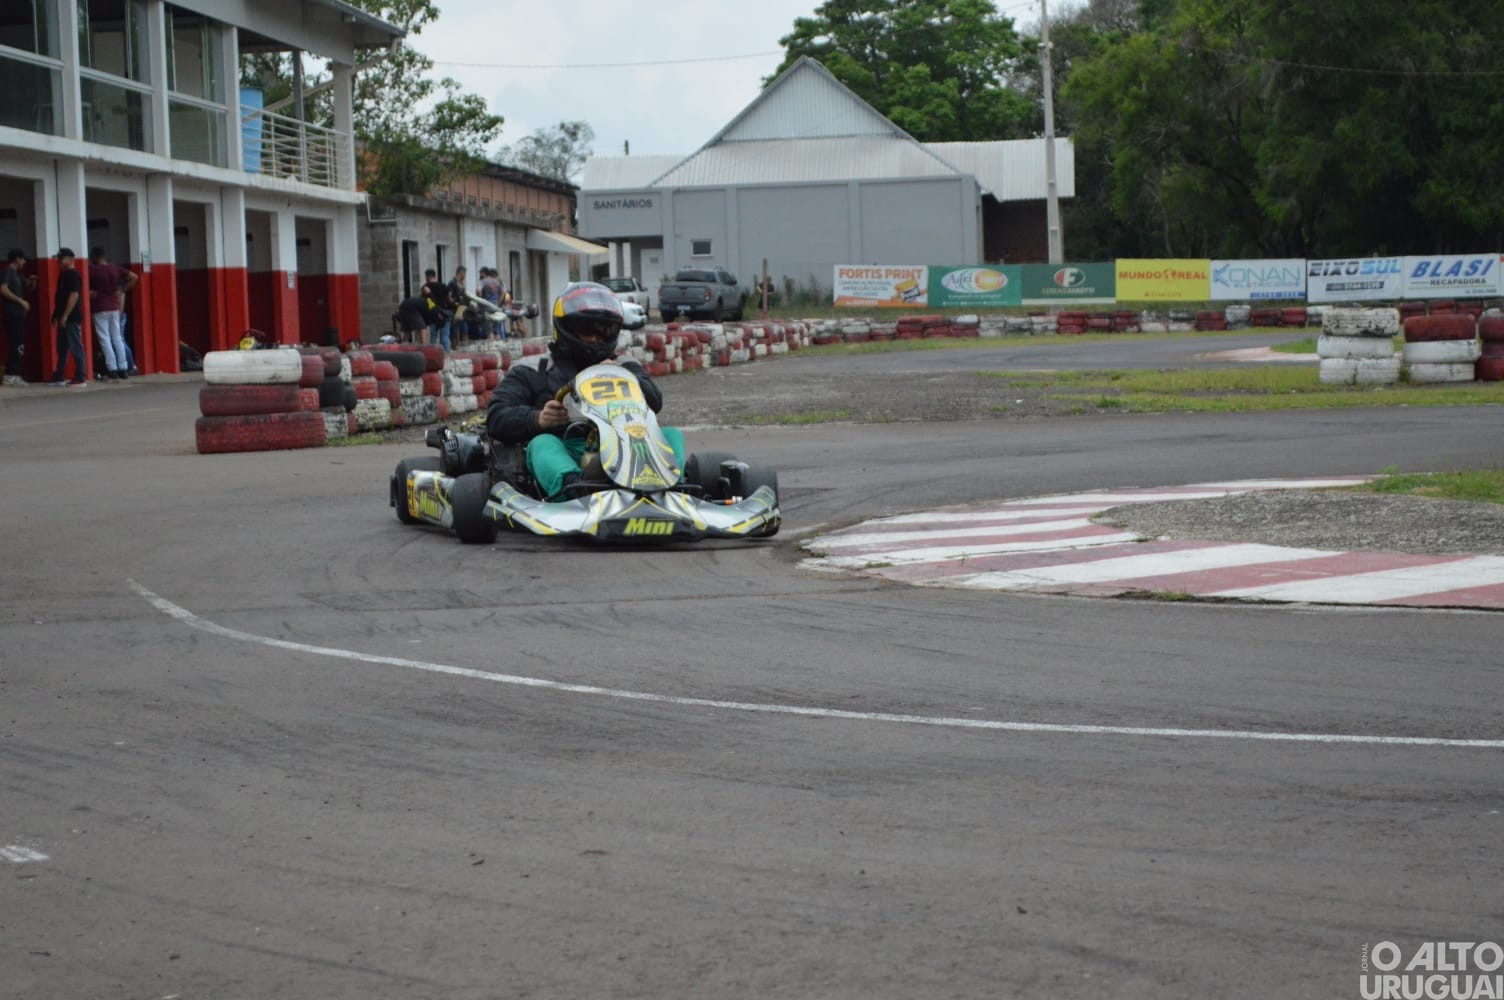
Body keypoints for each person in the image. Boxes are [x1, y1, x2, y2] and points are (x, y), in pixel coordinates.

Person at [486, 281, 685, 500]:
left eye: (603, 331)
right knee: (542, 443)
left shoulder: (625, 365)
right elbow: (496, 416)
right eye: (587, 330)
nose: (595, 339)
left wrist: (625, 376)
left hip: (628, 448)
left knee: (671, 434)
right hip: (568, 450)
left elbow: (655, 402)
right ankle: (575, 490)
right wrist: (537, 419)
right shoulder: (535, 368)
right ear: (566, 328)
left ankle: (672, 491)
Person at [87, 247, 138, 380]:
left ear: (95, 257)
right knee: (117, 338)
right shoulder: (115, 269)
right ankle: (123, 368)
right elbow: (134, 277)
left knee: (105, 338)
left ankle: (112, 368)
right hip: (114, 307)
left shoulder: (92, 270)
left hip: (99, 307)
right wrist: (122, 289)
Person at [48, 248, 87, 387]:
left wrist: (65, 315)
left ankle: (80, 376)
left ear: (71, 259)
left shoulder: (73, 275)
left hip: (71, 317)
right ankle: (59, 375)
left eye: (61, 258)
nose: (58, 261)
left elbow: (74, 295)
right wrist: (56, 315)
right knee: (62, 348)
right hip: (62, 317)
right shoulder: (63, 275)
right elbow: (60, 297)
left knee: (76, 346)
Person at [1, 248, 32, 385]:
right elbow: (3, 289)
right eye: (23, 259)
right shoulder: (7, 272)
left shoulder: (18, 275)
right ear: (17, 259)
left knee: (19, 343)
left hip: (18, 314)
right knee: (17, 344)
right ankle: (11, 374)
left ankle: (14, 373)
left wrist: (33, 280)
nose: (24, 262)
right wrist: (21, 302)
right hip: (12, 313)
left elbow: (29, 286)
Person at [419, 268, 451, 349]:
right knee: (445, 336)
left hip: (433, 313)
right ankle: (446, 354)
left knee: (433, 336)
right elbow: (448, 298)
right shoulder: (443, 286)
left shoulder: (425, 288)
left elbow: (425, 301)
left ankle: (433, 355)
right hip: (444, 313)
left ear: (428, 276)